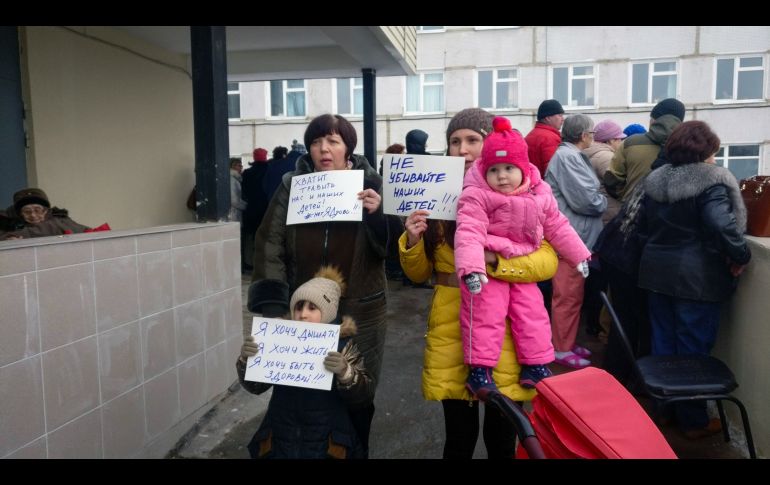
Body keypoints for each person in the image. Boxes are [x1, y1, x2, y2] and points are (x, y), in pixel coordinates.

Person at [400, 108, 559, 459]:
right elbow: (417, 274)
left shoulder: (520, 195)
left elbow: (548, 261)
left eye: (473, 139)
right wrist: (411, 241)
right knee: (457, 439)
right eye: (454, 141)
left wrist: (496, 262)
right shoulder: (433, 196)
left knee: (502, 438)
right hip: (451, 331)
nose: (462, 149)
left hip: (506, 331)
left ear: (491, 146)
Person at [248, 114, 397, 456]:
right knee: (303, 393)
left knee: (357, 391)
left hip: (361, 310)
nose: (323, 149)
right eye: (316, 142)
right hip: (307, 309)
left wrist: (377, 214)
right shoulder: (292, 185)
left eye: (333, 141)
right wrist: (273, 305)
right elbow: (270, 241)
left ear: (349, 148)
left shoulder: (371, 183)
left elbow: (392, 249)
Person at [455, 117, 591, 392]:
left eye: (509, 168)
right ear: (485, 170)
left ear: (524, 168)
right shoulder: (477, 194)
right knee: (484, 314)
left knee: (533, 314)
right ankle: (480, 369)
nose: (502, 176)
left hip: (524, 263)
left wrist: (579, 255)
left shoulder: (539, 194)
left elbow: (557, 225)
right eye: (494, 170)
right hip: (488, 266)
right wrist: (471, 269)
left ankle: (536, 364)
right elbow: (469, 231)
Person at [636, 120, 750, 439]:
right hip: (696, 277)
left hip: (655, 271)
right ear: (706, 151)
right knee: (692, 348)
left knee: (662, 343)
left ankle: (666, 411)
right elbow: (720, 223)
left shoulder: (655, 179)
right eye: (714, 151)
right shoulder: (710, 180)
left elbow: (643, 226)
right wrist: (741, 254)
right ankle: (694, 421)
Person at [237, 266, 374, 459]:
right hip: (281, 437)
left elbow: (363, 396)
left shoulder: (343, 345)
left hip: (325, 443)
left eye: (312, 308)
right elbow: (255, 386)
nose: (303, 314)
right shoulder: (279, 341)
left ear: (327, 313)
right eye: (298, 307)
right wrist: (246, 361)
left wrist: (346, 372)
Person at [544, 114, 607, 369]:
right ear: (583, 136)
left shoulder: (569, 155)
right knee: (567, 296)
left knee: (572, 294)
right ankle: (560, 348)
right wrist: (603, 201)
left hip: (575, 238)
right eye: (591, 133)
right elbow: (587, 201)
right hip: (570, 240)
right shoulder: (567, 157)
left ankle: (565, 342)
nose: (593, 137)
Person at [604, 98, 685, 202]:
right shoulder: (690, 146)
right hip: (675, 214)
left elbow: (612, 180)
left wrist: (628, 196)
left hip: (636, 211)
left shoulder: (630, 143)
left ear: (653, 120)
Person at [0, 188, 90, 240]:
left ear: (46, 211)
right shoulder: (10, 222)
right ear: (20, 214)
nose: (33, 215)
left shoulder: (60, 220)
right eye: (27, 211)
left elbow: (87, 232)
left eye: (37, 210)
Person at [241, 148, 271, 272]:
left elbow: (244, 192)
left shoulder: (247, 173)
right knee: (267, 238)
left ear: (254, 157)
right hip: (266, 209)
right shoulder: (269, 170)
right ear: (265, 157)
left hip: (251, 210)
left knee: (252, 238)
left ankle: (253, 265)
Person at [524, 99, 565, 178]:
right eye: (559, 115)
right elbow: (553, 171)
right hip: (546, 187)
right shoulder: (550, 138)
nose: (563, 118)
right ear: (548, 117)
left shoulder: (530, 135)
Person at [229, 158, 247, 223]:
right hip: (233, 214)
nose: (241, 168)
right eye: (239, 165)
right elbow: (234, 200)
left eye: (241, 166)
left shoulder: (235, 179)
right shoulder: (232, 180)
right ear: (233, 166)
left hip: (234, 213)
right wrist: (246, 206)